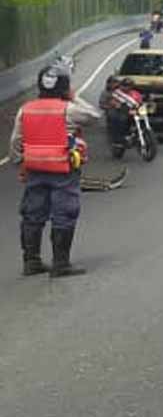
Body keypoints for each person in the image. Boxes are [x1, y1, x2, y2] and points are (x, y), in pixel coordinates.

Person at [11, 65, 102, 277]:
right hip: (62, 172)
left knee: (32, 215)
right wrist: (73, 97)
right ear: (64, 87)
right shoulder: (68, 110)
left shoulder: (26, 109)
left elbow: (16, 142)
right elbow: (94, 116)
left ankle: (31, 262)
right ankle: (60, 264)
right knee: (64, 214)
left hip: (34, 170)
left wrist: (20, 165)